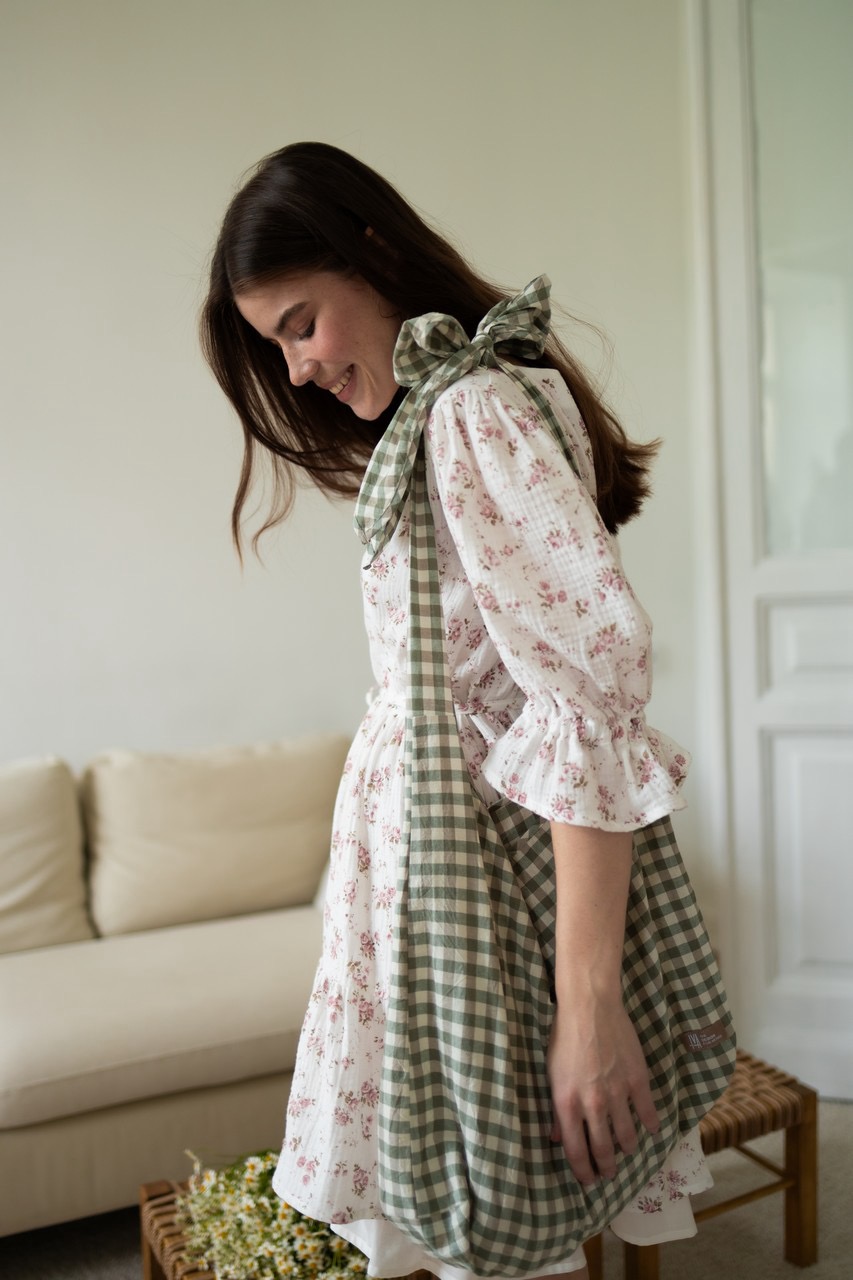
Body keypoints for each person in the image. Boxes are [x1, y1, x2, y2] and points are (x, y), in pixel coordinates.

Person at [201, 141, 735, 1280]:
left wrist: (587, 1006)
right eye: (275, 344)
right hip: (435, 874)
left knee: (495, 1224)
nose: (296, 369)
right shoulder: (451, 413)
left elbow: (583, 703)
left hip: (472, 884)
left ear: (372, 253)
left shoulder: (471, 412)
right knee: (475, 1221)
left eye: (302, 323)